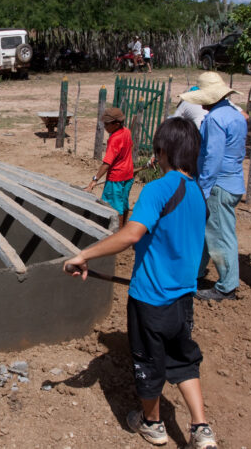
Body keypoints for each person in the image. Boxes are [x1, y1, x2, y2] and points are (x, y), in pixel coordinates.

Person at [65, 117, 218, 449]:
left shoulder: (158, 189)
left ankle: (152, 424)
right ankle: (201, 427)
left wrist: (85, 255)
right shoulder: (197, 193)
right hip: (183, 299)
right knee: (183, 359)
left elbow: (131, 235)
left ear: (163, 151)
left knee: (149, 363)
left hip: (151, 298)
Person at [181, 72, 247, 302]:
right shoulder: (235, 115)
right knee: (206, 231)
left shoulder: (215, 119)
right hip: (232, 181)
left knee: (220, 235)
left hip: (217, 185)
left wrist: (203, 187)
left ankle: (226, 287)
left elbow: (213, 157)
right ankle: (195, 273)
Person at [86, 107, 134, 226]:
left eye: (107, 124)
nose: (105, 126)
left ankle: (117, 233)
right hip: (128, 174)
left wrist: (95, 179)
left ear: (116, 124)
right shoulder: (127, 132)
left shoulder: (114, 139)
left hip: (116, 178)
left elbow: (107, 163)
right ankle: (123, 228)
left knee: (114, 208)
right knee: (123, 203)